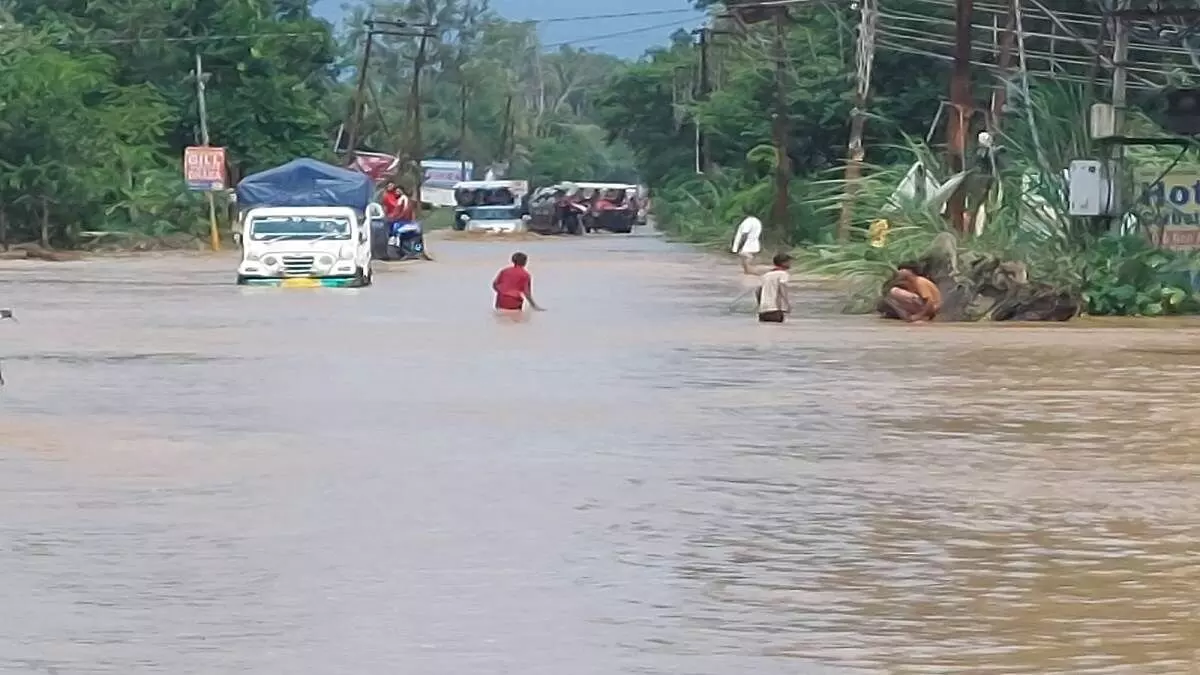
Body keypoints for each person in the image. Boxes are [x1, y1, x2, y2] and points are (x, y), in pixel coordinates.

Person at [755, 252, 792, 323]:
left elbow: (758, 291)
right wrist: (787, 304)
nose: (790, 264)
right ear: (783, 263)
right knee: (778, 332)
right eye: (789, 262)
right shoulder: (783, 274)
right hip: (775, 310)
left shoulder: (766, 275)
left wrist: (761, 305)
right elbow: (782, 288)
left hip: (763, 311)